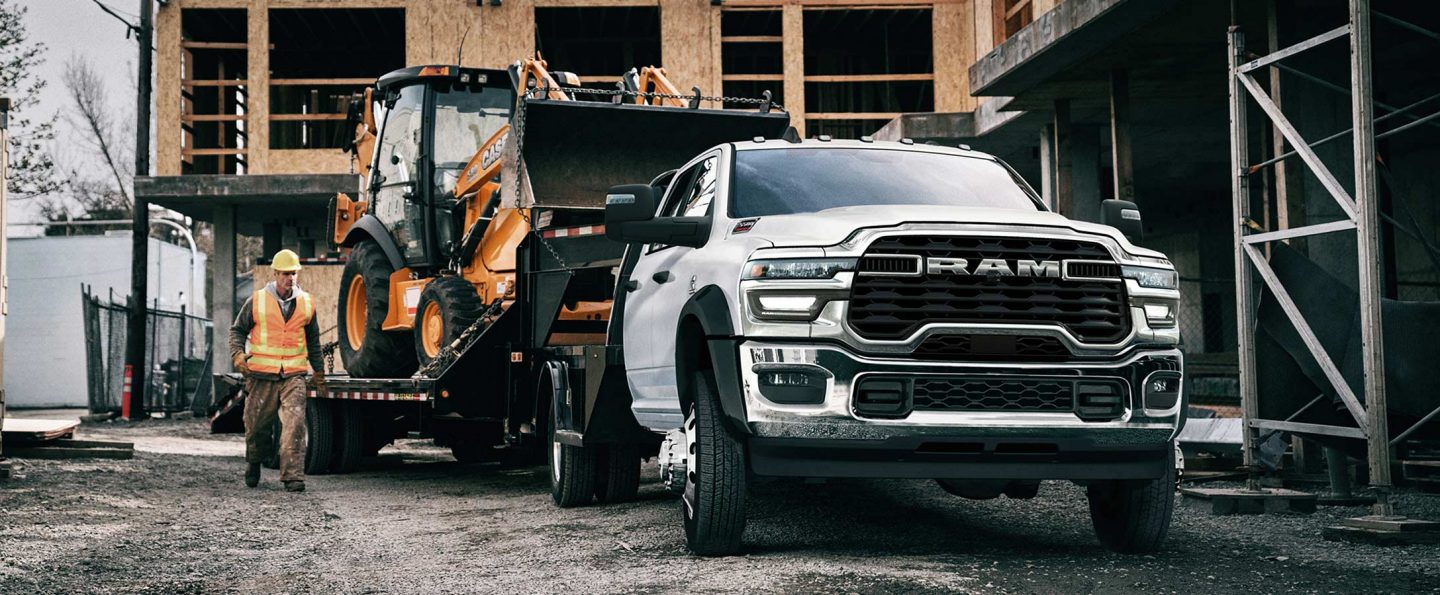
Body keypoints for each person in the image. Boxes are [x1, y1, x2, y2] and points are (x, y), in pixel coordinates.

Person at [229, 249, 326, 492]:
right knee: (256, 428)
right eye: (285, 274)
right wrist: (237, 354)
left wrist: (319, 371)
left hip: (293, 375)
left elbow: (313, 340)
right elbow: (237, 331)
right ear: (275, 274)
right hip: (261, 376)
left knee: (294, 425)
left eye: (293, 273)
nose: (290, 278)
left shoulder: (306, 303)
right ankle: (254, 461)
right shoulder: (258, 300)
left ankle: (293, 477)